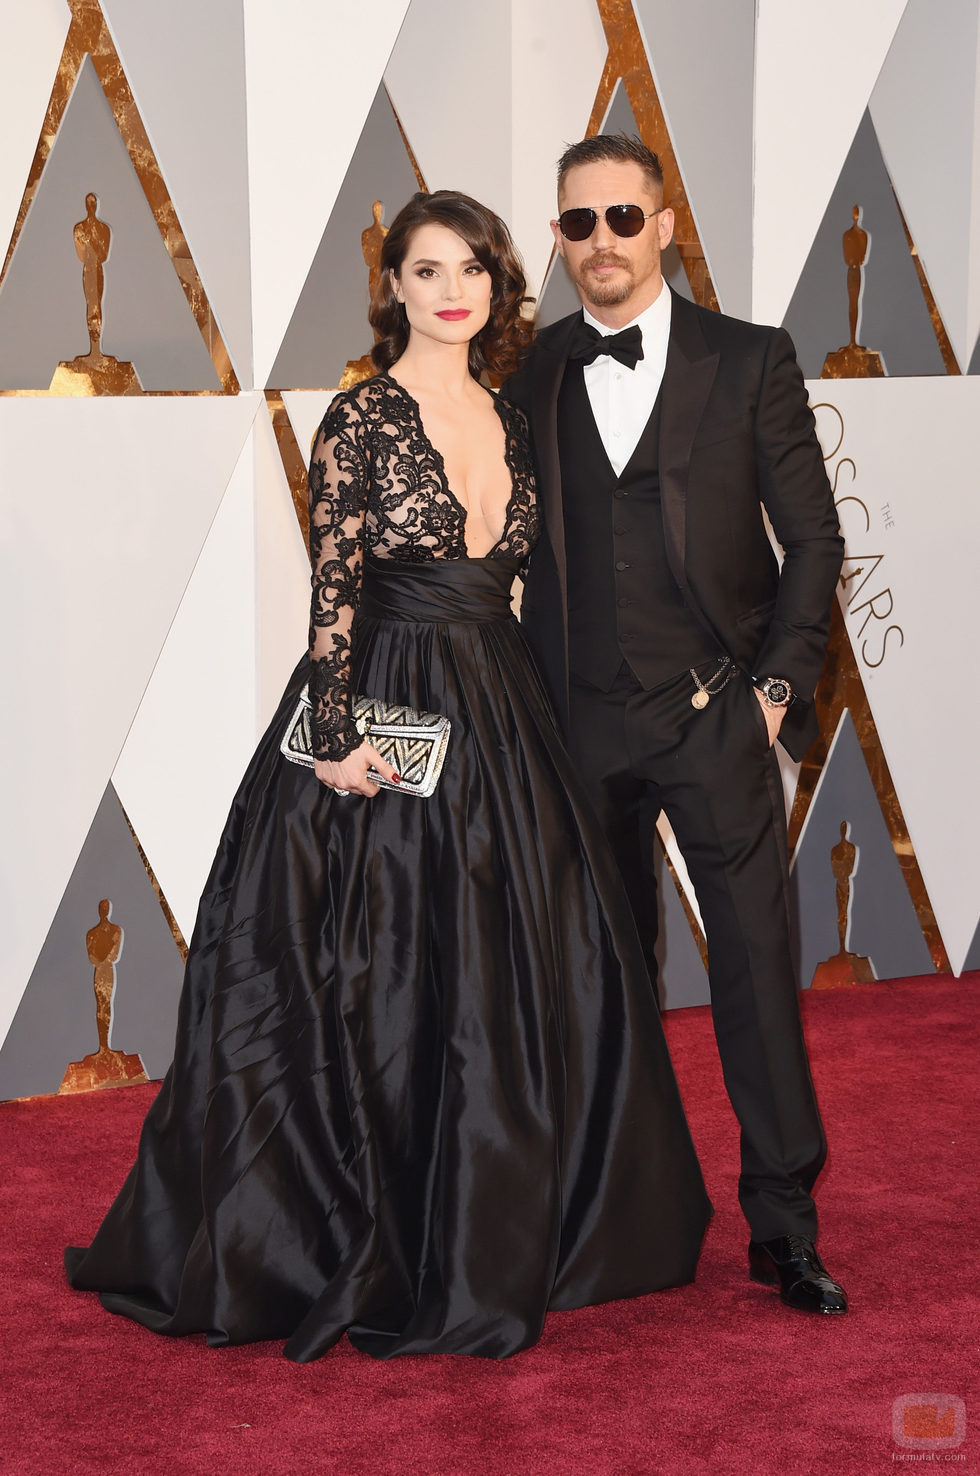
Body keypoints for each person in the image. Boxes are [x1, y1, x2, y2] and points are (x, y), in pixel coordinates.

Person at [66, 189, 710, 1361]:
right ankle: (370, 1231)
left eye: (471, 269)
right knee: (382, 966)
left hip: (499, 705)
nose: (451, 291)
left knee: (518, 964)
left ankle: (509, 1219)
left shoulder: (511, 415)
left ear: (495, 284)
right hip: (383, 698)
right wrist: (333, 736)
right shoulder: (358, 418)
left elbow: (527, 585)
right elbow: (334, 590)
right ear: (394, 287)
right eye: (426, 271)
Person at [502, 135, 848, 1315]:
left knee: (752, 970)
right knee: (600, 983)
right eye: (577, 221)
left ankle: (782, 1228)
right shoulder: (529, 372)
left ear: (662, 226)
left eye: (621, 216)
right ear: (558, 238)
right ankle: (620, 1216)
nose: (599, 239)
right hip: (576, 721)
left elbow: (813, 540)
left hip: (714, 715)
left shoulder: (747, 358)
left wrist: (771, 693)